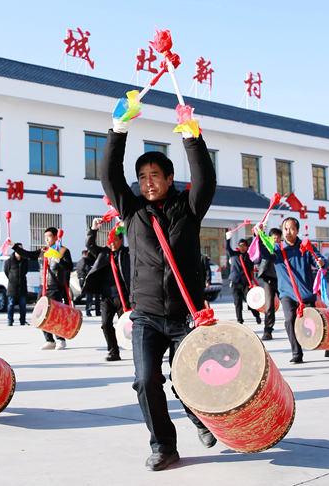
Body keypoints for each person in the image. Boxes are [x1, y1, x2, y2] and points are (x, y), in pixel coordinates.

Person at [100, 106, 218, 471]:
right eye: (142, 176)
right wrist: (118, 130)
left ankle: (199, 417)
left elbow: (204, 180)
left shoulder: (189, 208)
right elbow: (109, 176)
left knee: (188, 379)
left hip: (187, 315)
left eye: (155, 175)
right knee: (144, 380)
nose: (148, 182)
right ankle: (164, 445)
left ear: (169, 178)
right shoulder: (132, 211)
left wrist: (191, 137)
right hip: (147, 316)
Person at [253, 217, 328, 363]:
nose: (288, 231)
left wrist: (321, 262)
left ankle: (328, 345)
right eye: (286, 228)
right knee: (289, 320)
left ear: (297, 231)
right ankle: (296, 353)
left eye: (292, 228)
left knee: (314, 324)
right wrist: (258, 234)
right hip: (287, 293)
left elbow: (318, 260)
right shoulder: (277, 249)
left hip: (306, 294)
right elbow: (262, 253)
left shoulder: (306, 247)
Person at [11, 229, 74, 350]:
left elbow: (69, 267)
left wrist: (59, 261)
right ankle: (49, 339)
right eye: (45, 237)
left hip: (55, 287)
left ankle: (60, 339)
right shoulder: (44, 251)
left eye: (49, 237)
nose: (47, 239)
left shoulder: (63, 251)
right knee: (42, 314)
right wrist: (14, 247)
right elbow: (28, 254)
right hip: (43, 287)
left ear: (56, 237)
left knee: (54, 314)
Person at [84, 219, 130, 361]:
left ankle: (138, 350)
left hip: (124, 296)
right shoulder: (103, 253)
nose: (112, 243)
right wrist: (93, 229)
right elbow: (89, 244)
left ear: (122, 240)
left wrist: (126, 224)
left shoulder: (128, 253)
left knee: (130, 325)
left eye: (115, 240)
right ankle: (113, 351)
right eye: (110, 240)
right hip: (107, 297)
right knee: (105, 324)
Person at [225, 234, 262, 325]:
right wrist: (227, 239)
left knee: (250, 302)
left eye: (244, 246)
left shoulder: (250, 256)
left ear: (247, 247)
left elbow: (257, 258)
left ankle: (256, 316)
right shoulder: (234, 254)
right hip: (236, 282)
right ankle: (240, 320)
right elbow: (227, 248)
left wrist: (256, 238)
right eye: (240, 246)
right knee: (237, 302)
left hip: (246, 283)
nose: (242, 247)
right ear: (238, 246)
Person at [255, 228, 282, 340]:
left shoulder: (283, 249)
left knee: (289, 302)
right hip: (269, 279)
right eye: (274, 238)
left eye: (278, 239)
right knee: (270, 305)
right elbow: (258, 253)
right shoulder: (267, 248)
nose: (276, 241)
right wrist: (258, 234)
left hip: (282, 279)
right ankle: (268, 330)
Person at [3, 243, 29, 326]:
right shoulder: (10, 260)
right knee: (11, 304)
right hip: (12, 286)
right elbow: (6, 271)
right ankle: (10, 320)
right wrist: (12, 278)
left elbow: (26, 270)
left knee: (23, 304)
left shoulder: (25, 260)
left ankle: (23, 320)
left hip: (22, 285)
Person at [76, 250, 98, 317]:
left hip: (80, 279)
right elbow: (88, 270)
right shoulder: (87, 261)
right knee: (89, 295)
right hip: (86, 279)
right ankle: (88, 309)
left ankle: (77, 300)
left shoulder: (79, 262)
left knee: (84, 293)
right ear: (86, 254)